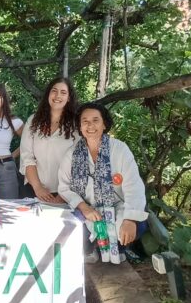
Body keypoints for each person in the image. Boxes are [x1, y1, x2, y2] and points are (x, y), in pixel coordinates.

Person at [57, 102, 149, 262]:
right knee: (72, 223)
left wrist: (129, 219)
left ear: (104, 124)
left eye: (95, 120)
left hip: (116, 207)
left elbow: (134, 187)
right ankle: (89, 249)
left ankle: (118, 248)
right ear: (79, 126)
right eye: (85, 121)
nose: (90, 125)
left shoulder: (120, 150)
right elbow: (64, 187)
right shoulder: (71, 154)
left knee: (137, 225)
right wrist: (84, 207)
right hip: (87, 209)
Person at [19, 77, 78, 203]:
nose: (57, 95)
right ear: (48, 94)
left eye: (63, 92)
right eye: (54, 91)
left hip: (65, 193)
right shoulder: (33, 121)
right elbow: (27, 157)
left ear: (69, 98)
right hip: (34, 190)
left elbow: (79, 162)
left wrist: (63, 194)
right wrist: (38, 187)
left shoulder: (76, 125)